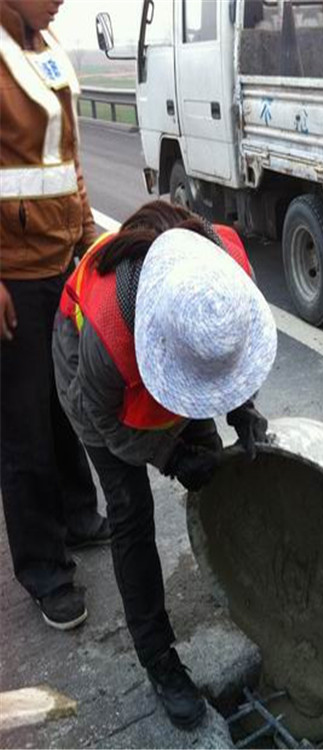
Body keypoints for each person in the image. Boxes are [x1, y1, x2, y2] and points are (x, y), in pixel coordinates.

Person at [52, 201, 277, 729]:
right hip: (96, 392)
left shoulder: (224, 274)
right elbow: (101, 419)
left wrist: (242, 410)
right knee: (132, 513)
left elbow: (231, 355)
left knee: (217, 465)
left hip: (160, 360)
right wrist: (170, 456)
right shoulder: (109, 332)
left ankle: (246, 587)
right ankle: (158, 659)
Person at [0, 0, 109, 632]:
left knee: (62, 402)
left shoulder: (43, 44)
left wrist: (86, 228)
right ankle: (45, 569)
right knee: (24, 431)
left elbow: (65, 159)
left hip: (60, 257)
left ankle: (76, 514)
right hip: (14, 271)